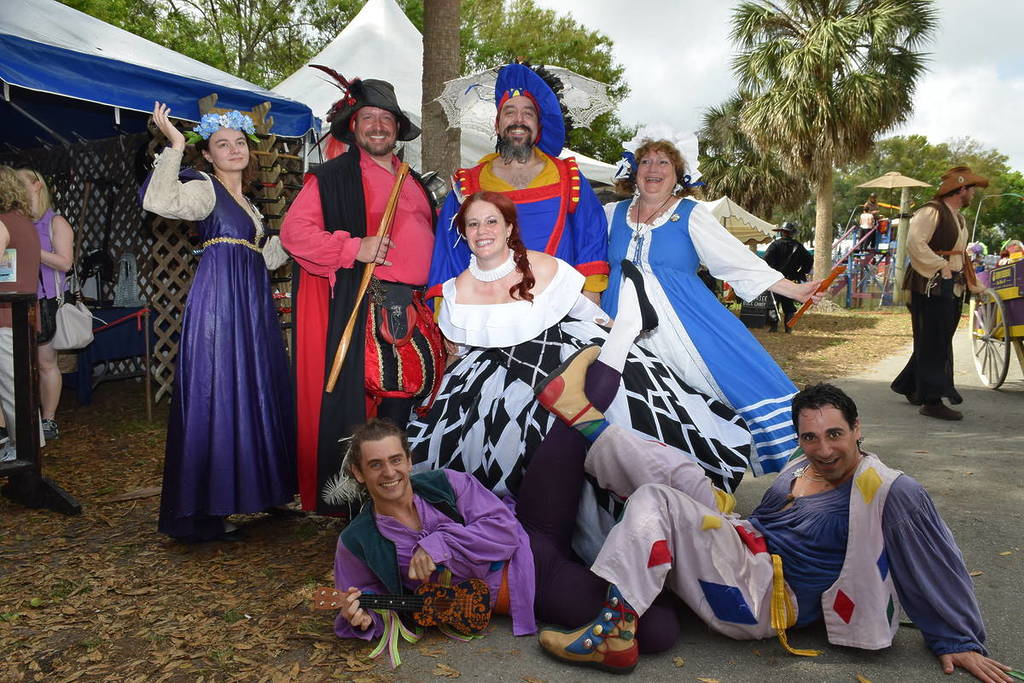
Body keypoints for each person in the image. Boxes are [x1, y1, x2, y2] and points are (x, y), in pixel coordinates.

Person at [538, 378, 1013, 682]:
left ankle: (613, 635)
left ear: (858, 429)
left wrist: (959, 640)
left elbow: (935, 560)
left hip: (762, 598)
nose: (823, 450)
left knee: (656, 500)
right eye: (810, 437)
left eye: (835, 435)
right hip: (743, 550)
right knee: (683, 476)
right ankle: (584, 417)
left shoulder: (888, 490)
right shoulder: (796, 468)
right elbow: (760, 523)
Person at [407, 191, 753, 564]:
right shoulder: (455, 290)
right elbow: (460, 350)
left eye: (491, 221)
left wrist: (616, 333)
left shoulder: (543, 267)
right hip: (491, 381)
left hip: (554, 356)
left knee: (599, 410)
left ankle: (647, 519)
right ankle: (521, 541)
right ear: (462, 232)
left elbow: (586, 312)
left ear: (509, 227)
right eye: (472, 223)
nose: (482, 230)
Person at [603, 136, 821, 475]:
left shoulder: (691, 215)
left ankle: (713, 472)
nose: (654, 169)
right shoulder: (611, 214)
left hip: (683, 325)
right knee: (628, 403)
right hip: (619, 326)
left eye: (664, 163)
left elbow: (735, 261)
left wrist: (794, 290)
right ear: (634, 170)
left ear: (679, 173)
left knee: (713, 387)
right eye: (646, 161)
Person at [280, 76, 444, 515]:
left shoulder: (413, 180)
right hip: (369, 306)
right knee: (382, 407)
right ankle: (369, 503)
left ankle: (400, 495)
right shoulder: (332, 178)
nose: (377, 126)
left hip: (417, 307)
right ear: (352, 126)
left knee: (409, 403)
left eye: (385, 119)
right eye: (367, 118)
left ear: (396, 128)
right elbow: (295, 234)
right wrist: (356, 247)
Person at [142, 103, 296, 542]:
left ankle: (263, 490)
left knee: (257, 388)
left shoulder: (248, 204)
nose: (233, 149)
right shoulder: (204, 188)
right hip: (221, 306)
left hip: (251, 302)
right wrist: (175, 143)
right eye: (221, 144)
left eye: (239, 143)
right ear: (207, 155)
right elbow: (159, 200)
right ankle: (206, 509)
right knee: (221, 390)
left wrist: (298, 233)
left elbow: (264, 257)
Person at [427, 61, 609, 307]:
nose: (518, 120)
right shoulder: (468, 185)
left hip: (558, 310)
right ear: (498, 124)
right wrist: (449, 314)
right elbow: (449, 254)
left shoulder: (569, 177)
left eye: (528, 113)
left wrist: (590, 302)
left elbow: (591, 239)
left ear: (538, 125)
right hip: (489, 312)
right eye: (509, 112)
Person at [891, 166, 988, 421]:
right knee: (934, 341)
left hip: (950, 284)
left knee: (935, 339)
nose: (973, 194)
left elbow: (959, 254)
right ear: (961, 189)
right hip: (930, 285)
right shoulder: (931, 211)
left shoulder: (958, 217)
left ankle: (911, 386)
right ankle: (932, 401)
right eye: (972, 189)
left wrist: (970, 282)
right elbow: (915, 243)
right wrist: (940, 265)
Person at [16, 168, 73, 441]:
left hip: (45, 300)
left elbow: (65, 263)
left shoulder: (55, 222)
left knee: (46, 362)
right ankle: (19, 421)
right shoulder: (13, 223)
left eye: (20, 181)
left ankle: (48, 420)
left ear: (37, 185)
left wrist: (32, 249)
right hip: (16, 301)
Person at [0, 166, 43, 463]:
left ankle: (24, 448)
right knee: (19, 385)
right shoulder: (23, 222)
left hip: (5, 318)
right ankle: (27, 445)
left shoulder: (3, 223)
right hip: (21, 317)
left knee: (13, 387)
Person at [764, 221, 814, 330]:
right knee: (789, 305)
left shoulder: (775, 245)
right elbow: (809, 260)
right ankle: (788, 328)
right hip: (790, 279)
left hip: (775, 279)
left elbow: (766, 260)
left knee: (773, 304)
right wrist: (800, 273)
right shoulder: (799, 247)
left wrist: (771, 272)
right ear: (792, 233)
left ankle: (773, 328)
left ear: (782, 232)